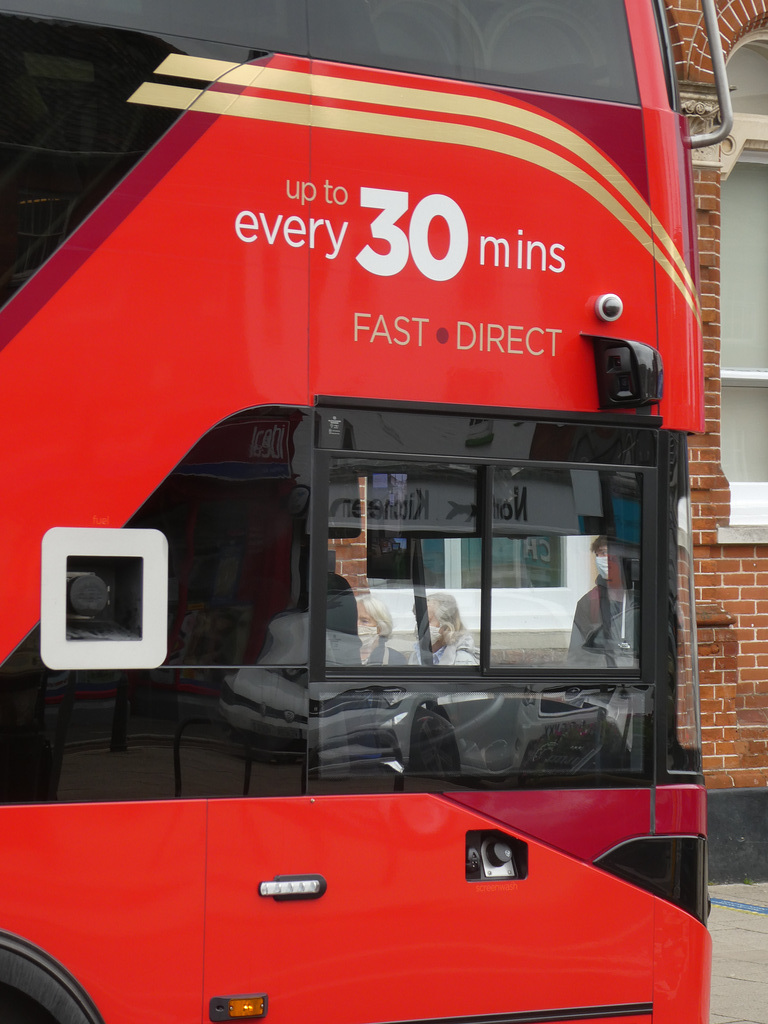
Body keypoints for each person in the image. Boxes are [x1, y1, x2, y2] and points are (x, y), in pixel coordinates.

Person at [568, 536, 637, 667]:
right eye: (599, 554)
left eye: (606, 552)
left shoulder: (637, 599)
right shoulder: (588, 602)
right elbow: (576, 654)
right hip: (602, 675)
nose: (602, 559)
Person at [410, 592, 479, 666]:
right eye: (419, 620)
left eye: (427, 621)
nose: (420, 626)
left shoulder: (463, 660)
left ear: (446, 626)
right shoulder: (416, 656)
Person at [356, 594, 406, 665]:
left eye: (364, 621)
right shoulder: (340, 657)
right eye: (353, 619)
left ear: (380, 627)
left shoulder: (395, 659)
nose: (357, 625)